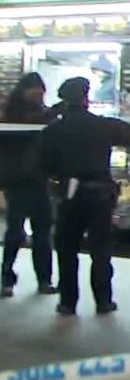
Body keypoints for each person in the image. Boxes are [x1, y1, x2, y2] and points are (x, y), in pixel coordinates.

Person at [40, 77, 130, 315]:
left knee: (67, 251)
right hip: (100, 196)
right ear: (86, 98)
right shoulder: (103, 125)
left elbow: (44, 164)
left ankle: (67, 302)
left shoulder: (54, 130)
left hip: (68, 195)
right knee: (101, 252)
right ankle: (103, 301)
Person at [0, 73, 56, 297]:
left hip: (38, 181)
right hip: (19, 181)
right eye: (36, 91)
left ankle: (44, 279)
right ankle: (6, 277)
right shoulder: (11, 114)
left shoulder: (41, 114)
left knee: (42, 233)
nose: (39, 95)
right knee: (16, 232)